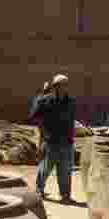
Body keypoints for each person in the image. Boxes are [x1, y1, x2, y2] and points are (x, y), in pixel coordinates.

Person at [29, 73, 77, 203]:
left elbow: (71, 121)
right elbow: (33, 114)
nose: (64, 88)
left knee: (66, 170)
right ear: (55, 87)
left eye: (66, 85)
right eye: (61, 85)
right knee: (45, 168)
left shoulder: (71, 102)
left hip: (67, 142)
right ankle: (39, 190)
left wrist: (72, 137)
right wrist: (41, 94)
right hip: (50, 141)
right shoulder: (46, 101)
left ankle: (65, 195)